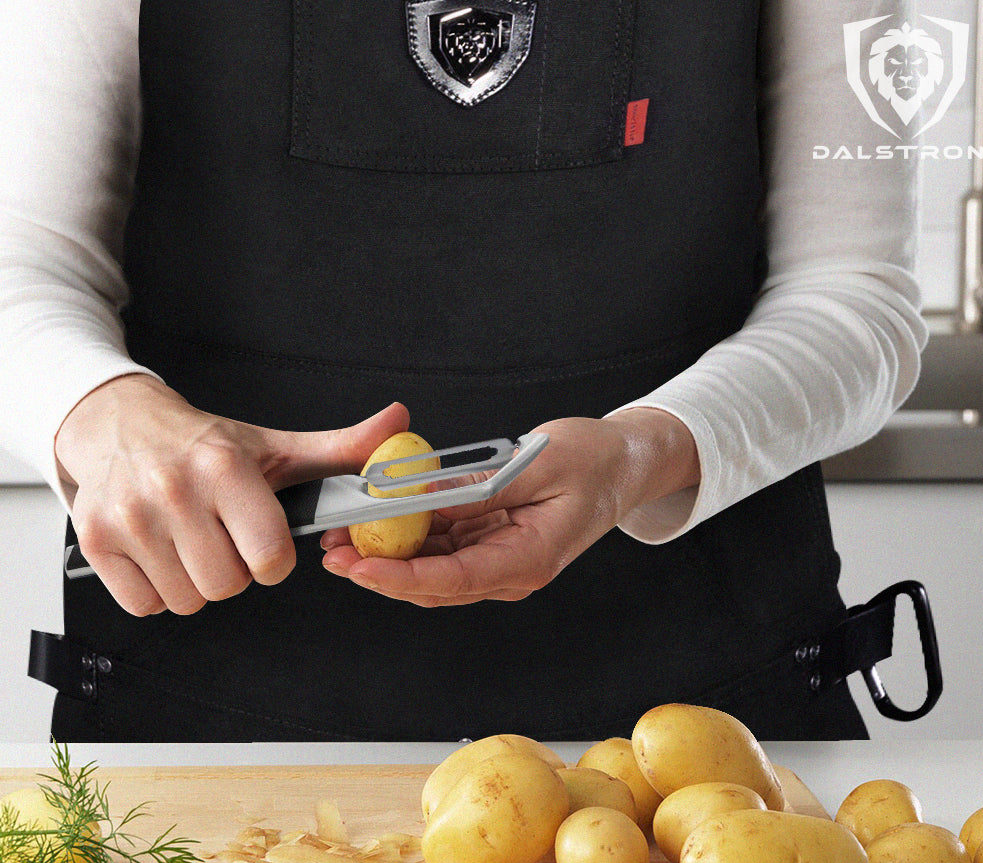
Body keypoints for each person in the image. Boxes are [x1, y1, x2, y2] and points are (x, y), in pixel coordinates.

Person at [0, 0, 926, 742]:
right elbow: (22, 268)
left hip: (713, 748)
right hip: (198, 739)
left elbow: (857, 298)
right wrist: (109, 413)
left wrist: (638, 457)